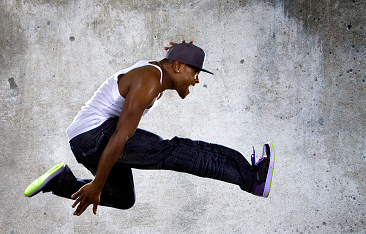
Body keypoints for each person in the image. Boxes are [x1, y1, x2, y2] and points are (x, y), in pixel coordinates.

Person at [24, 40, 274, 216]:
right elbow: (120, 136)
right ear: (177, 66)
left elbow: (120, 135)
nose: (196, 79)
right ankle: (252, 179)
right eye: (195, 71)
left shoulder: (158, 73)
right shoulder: (149, 81)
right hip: (95, 136)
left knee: (123, 198)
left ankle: (60, 182)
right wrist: (97, 184)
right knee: (173, 151)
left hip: (87, 140)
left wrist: (183, 49)